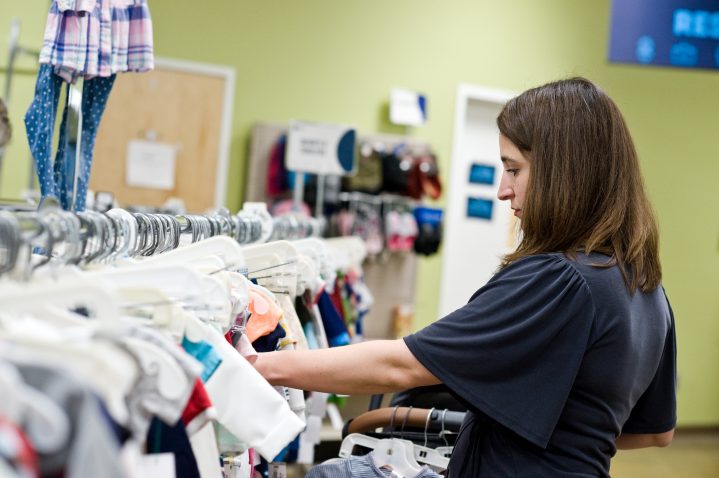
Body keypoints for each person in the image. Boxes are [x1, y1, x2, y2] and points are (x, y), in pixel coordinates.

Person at [255, 77, 676, 477]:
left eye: (514, 169)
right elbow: (655, 431)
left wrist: (256, 365)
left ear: (563, 173)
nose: (502, 190)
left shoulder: (559, 280)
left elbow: (398, 367)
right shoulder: (645, 288)